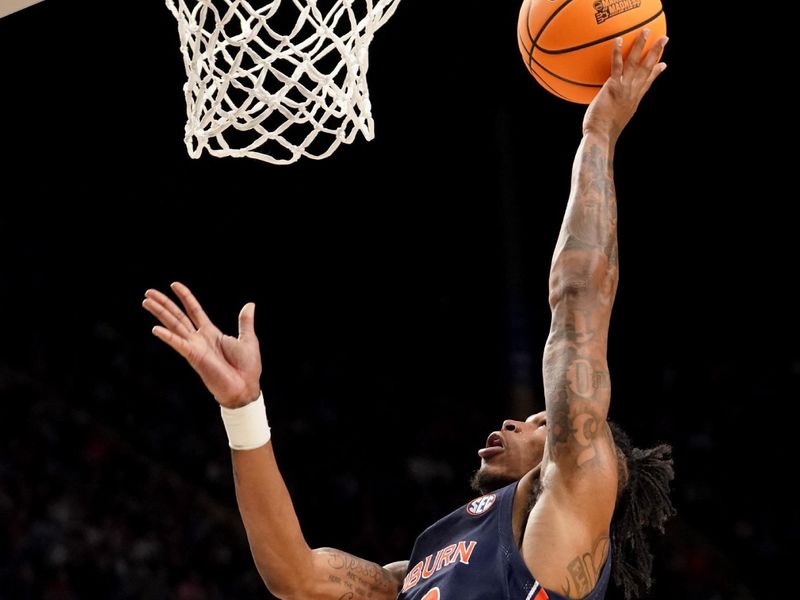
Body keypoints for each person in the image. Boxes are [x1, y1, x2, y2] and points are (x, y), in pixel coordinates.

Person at [142, 29, 674, 600]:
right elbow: (298, 576)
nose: (518, 421)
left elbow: (577, 311)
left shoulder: (571, 507)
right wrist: (243, 408)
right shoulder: (424, 562)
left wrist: (599, 133)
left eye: (545, 424)